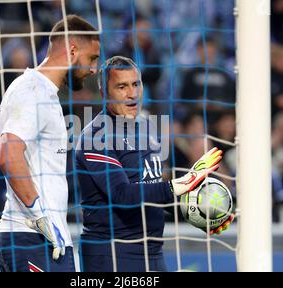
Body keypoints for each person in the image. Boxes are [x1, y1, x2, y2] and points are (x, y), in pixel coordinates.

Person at [74, 56, 233, 272]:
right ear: (103, 94)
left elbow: (153, 191)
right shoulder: (96, 136)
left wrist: (202, 210)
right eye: (121, 86)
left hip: (153, 250)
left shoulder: (147, 128)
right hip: (112, 253)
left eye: (135, 84)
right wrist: (182, 184)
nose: (132, 93)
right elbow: (122, 194)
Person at [0, 14, 100, 272]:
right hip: (29, 235)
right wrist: (38, 215)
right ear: (72, 50)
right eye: (92, 58)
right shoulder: (32, 90)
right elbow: (8, 152)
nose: (94, 69)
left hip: (49, 236)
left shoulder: (47, 95)